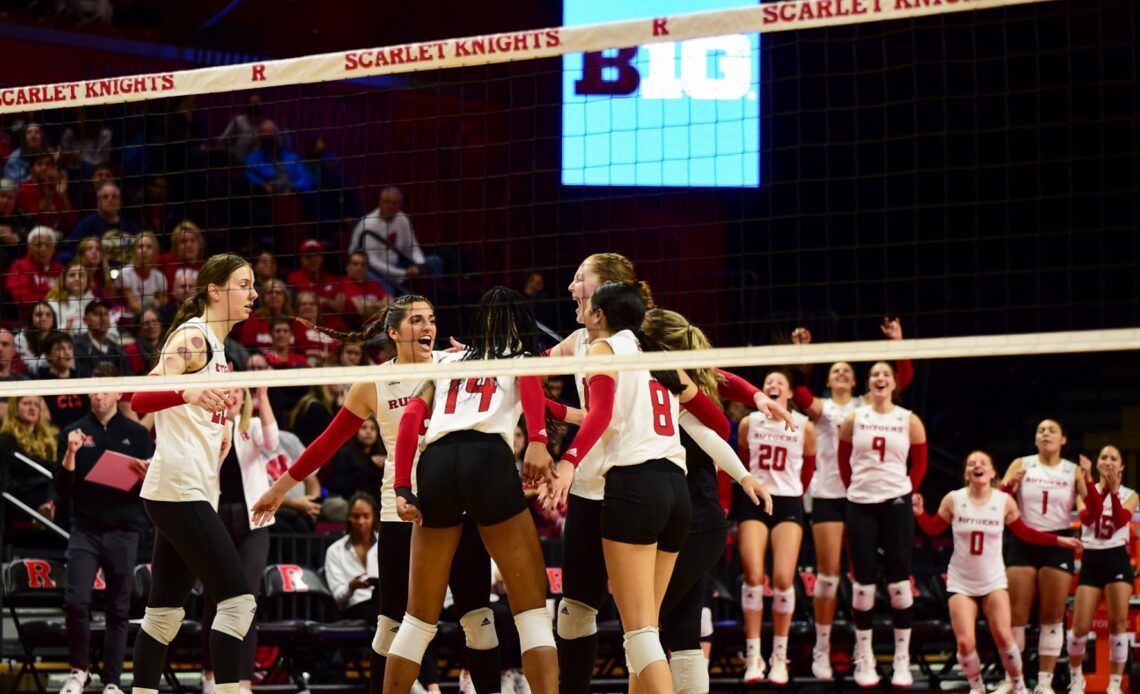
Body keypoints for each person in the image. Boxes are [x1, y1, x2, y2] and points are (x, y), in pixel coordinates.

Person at [250, 294, 504, 694]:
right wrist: (280, 489)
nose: (428, 328)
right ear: (393, 331)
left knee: (477, 616)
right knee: (392, 621)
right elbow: (327, 443)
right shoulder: (373, 381)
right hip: (401, 507)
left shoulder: (455, 365)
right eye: (417, 320)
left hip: (459, 503)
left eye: (432, 319)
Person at [555, 282, 736, 694]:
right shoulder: (658, 358)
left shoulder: (603, 350)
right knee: (653, 628)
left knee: (638, 631)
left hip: (634, 489)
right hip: (677, 492)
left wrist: (569, 460)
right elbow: (719, 423)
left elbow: (599, 412)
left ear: (600, 315)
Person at [127, 252, 260, 694]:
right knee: (238, 604)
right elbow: (141, 400)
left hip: (191, 488)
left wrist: (220, 429)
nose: (254, 294)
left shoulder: (218, 349)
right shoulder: (193, 337)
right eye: (245, 284)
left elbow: (181, 399)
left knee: (163, 616)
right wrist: (188, 390)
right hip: (177, 488)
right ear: (215, 290)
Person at [638, 308, 780, 694]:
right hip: (700, 526)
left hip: (691, 526)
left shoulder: (671, 393)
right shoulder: (692, 382)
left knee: (643, 625)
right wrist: (756, 396)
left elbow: (714, 432)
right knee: (682, 632)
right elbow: (723, 387)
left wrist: (744, 475)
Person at [912, 451, 1081, 694]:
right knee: (964, 642)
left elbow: (1024, 533)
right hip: (961, 581)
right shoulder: (954, 499)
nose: (977, 466)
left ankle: (1018, 684)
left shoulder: (1003, 501)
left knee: (1004, 635)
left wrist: (1058, 541)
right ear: (966, 473)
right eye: (971, 463)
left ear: (992, 473)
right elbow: (933, 528)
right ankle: (977, 686)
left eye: (983, 463)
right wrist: (920, 514)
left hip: (993, 581)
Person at [53, 365, 154, 694]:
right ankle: (79, 671)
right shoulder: (74, 431)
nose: (98, 396)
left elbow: (152, 485)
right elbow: (63, 486)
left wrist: (145, 474)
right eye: (94, 390)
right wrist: (71, 452)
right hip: (85, 528)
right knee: (76, 601)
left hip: (124, 528)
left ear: (117, 393)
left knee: (118, 606)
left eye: (104, 390)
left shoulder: (137, 434)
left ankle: (113, 681)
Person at [837, 361, 928, 688]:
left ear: (894, 383)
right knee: (862, 584)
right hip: (861, 504)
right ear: (869, 382)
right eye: (874, 374)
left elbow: (919, 464)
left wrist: (905, 490)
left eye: (885, 375)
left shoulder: (908, 419)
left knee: (899, 582)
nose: (879, 378)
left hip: (896, 504)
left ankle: (902, 660)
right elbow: (844, 463)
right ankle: (866, 656)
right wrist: (858, 490)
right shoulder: (854, 418)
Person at [996, 419, 1087, 694]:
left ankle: (1044, 681)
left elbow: (1086, 512)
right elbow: (999, 503)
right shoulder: (1021, 463)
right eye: (1040, 431)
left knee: (1052, 615)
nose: (1045, 434)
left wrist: (1092, 486)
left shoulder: (1073, 471)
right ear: (1035, 440)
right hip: (1023, 539)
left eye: (1052, 430)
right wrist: (1009, 485)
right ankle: (1013, 680)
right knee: (1016, 616)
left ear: (1063, 440)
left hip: (1058, 541)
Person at [736, 370, 815, 685]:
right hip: (755, 500)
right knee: (754, 576)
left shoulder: (805, 427)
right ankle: (753, 655)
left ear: (790, 392)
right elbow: (742, 461)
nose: (773, 385)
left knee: (783, 578)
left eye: (780, 382)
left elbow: (808, 468)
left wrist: (794, 491)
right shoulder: (748, 423)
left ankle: (779, 657)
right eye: (768, 382)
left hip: (787, 501)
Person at [200, 385, 278, 694]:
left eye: (237, 393)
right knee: (215, 599)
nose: (231, 396)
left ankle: (242, 682)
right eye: (227, 392)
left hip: (253, 523)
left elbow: (272, 443)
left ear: (244, 398)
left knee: (247, 600)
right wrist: (221, 426)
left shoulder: (253, 427)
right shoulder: (208, 429)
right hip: (215, 521)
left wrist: (264, 398)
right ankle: (210, 677)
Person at [1067, 445, 1136, 694]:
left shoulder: (1131, 494)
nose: (1108, 461)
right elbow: (1087, 518)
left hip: (1117, 556)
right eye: (1104, 457)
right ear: (1097, 464)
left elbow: (1119, 520)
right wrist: (1105, 490)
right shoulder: (1084, 490)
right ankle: (1076, 678)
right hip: (1092, 558)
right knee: (1080, 626)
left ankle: (1115, 684)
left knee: (1118, 623)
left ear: (1122, 465)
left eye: (1114, 458)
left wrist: (1114, 492)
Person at [349, 187, 443, 292]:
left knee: (434, 261)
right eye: (387, 202)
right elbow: (372, 262)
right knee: (388, 291)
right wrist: (402, 273)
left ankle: (434, 297)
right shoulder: (368, 224)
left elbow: (412, 247)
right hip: (371, 269)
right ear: (380, 202)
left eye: (394, 203)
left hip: (396, 264)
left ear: (400, 205)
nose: (390, 206)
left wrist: (420, 265)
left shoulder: (403, 218)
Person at [0, 395, 58, 539]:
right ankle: (49, 506)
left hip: (46, 488)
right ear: (14, 408)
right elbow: (22, 465)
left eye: (36, 405)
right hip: (21, 494)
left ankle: (48, 506)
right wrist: (55, 467)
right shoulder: (6, 438)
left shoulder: (51, 437)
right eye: (26, 403)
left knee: (65, 483)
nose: (32, 408)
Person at [324, 493, 381, 621]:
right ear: (349, 517)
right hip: (355, 608)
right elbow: (339, 599)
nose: (361, 522)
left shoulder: (385, 545)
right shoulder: (334, 551)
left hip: (385, 606)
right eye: (356, 516)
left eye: (366, 516)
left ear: (373, 518)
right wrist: (351, 587)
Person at [62, 182, 140, 265]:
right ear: (98, 202)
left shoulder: (131, 226)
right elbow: (72, 249)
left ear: (119, 201)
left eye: (114, 197)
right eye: (105, 197)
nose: (110, 200)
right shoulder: (88, 224)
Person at [6, 226, 63, 323]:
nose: (43, 249)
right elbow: (21, 298)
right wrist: (50, 300)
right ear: (29, 248)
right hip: (28, 320)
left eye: (48, 245)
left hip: (59, 317)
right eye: (38, 245)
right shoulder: (20, 266)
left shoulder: (60, 269)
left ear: (53, 249)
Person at [36, 332, 91, 427]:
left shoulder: (81, 379)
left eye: (70, 347)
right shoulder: (41, 381)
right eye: (61, 349)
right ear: (48, 355)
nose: (67, 352)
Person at [17, 152, 77, 234]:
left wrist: (63, 196)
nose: (44, 167)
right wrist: (48, 195)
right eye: (39, 164)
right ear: (31, 169)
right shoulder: (24, 189)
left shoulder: (57, 187)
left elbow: (71, 223)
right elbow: (36, 223)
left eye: (48, 164)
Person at [115, 231, 167, 322]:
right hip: (129, 320)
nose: (144, 250)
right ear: (134, 251)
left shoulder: (159, 276)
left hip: (151, 319)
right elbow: (133, 305)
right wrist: (154, 308)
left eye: (149, 247)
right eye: (140, 247)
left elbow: (164, 300)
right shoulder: (125, 273)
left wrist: (158, 305)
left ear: (155, 252)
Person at [74, 299, 131, 377]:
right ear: (85, 320)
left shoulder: (117, 349)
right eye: (97, 314)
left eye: (106, 314)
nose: (103, 318)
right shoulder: (77, 347)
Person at [286, 240, 342, 314]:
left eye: (316, 255)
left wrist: (326, 301)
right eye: (308, 256)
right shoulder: (293, 279)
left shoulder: (333, 280)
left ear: (322, 257)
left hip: (333, 323)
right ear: (301, 258)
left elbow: (341, 308)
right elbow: (291, 308)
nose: (313, 259)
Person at [45, 261, 96, 335]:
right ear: (64, 279)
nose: (77, 278)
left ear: (88, 280)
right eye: (72, 275)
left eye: (81, 275)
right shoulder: (53, 304)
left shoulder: (94, 302)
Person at [14, 300, 57, 375]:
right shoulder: (21, 339)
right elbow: (29, 368)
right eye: (39, 315)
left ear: (54, 320)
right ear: (31, 319)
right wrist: (50, 356)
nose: (44, 318)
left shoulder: (60, 337)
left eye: (48, 315)